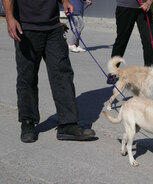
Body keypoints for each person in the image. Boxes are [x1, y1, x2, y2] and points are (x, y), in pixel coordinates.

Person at [2, 0, 95, 143]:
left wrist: (64, 1)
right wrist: (10, 18)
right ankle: (28, 122)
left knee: (62, 73)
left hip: (53, 26)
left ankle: (67, 124)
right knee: (27, 76)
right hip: (25, 27)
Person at [107, 0, 153, 84]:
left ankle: (149, 72)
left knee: (149, 41)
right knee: (121, 41)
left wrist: (148, 3)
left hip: (144, 8)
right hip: (125, 7)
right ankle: (113, 72)